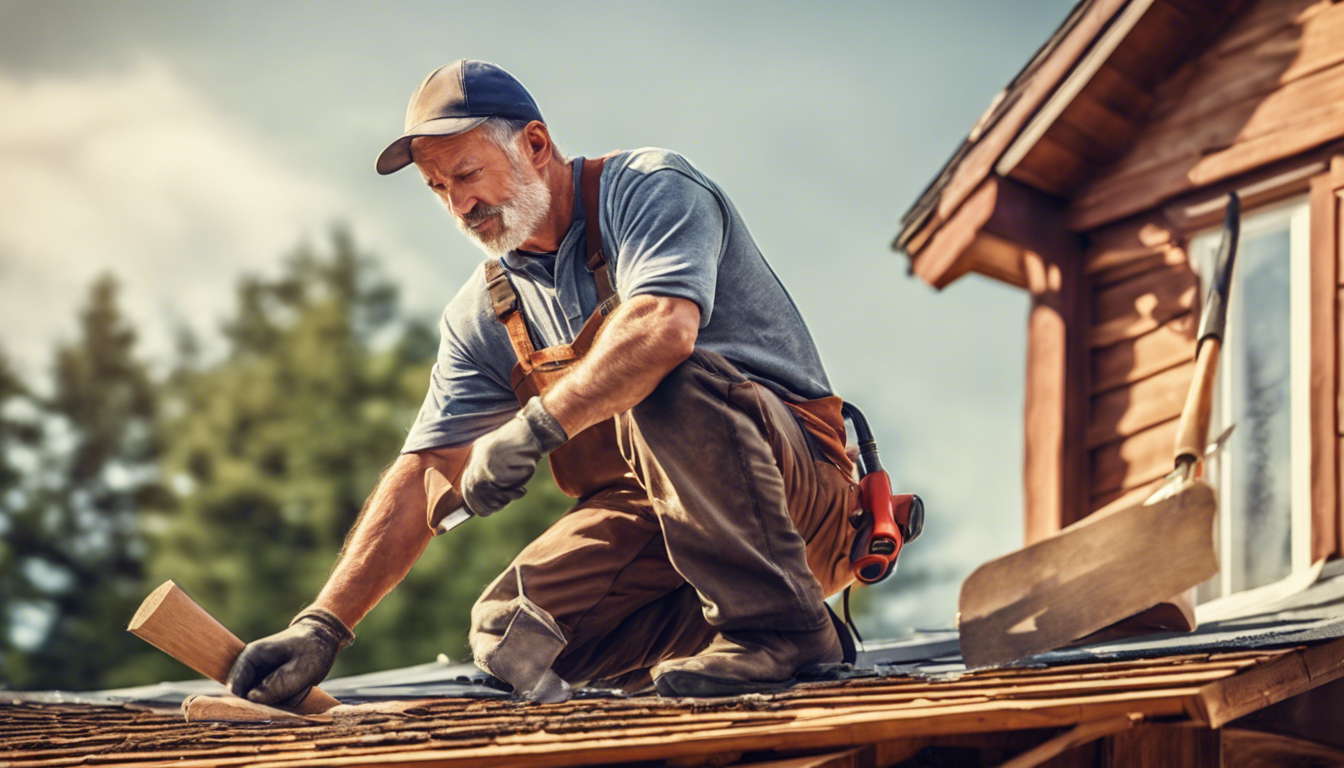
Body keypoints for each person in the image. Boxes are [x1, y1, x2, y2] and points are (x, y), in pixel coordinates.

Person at [226, 59, 860, 706]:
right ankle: (726, 642)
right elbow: (427, 472)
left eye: (467, 174)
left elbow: (663, 330)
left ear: (535, 145)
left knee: (664, 378)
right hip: (663, 520)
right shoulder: (487, 312)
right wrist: (323, 625)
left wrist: (532, 429)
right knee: (510, 631)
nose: (459, 204)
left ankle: (782, 630)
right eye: (437, 187)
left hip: (801, 497)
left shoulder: (648, 189)